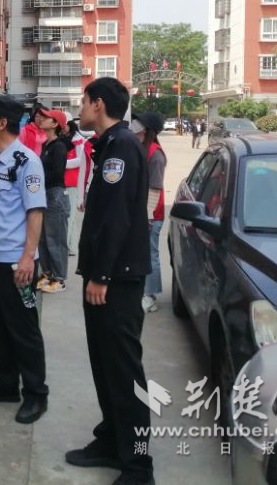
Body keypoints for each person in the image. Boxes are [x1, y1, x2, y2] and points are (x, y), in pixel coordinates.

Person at [66, 77, 154, 485]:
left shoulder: (121, 147)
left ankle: (138, 466)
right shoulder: (109, 145)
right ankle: (111, 440)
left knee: (122, 371)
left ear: (98, 104)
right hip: (106, 275)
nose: (80, 109)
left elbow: (116, 217)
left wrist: (101, 274)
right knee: (104, 365)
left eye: (83, 102)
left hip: (116, 279)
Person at [0, 95, 49, 425]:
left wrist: (28, 257)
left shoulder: (26, 162)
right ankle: (5, 384)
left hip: (17, 264)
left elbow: (35, 211)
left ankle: (35, 394)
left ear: (2, 123)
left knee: (23, 329)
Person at [132, 112, 167, 314]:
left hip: (151, 216)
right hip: (139, 213)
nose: (133, 125)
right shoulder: (140, 149)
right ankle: (142, 291)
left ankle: (150, 296)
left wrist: (148, 215)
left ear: (146, 129)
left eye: (138, 122)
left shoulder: (156, 154)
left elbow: (155, 188)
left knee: (151, 255)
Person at [35, 108, 71, 293]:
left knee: (55, 239)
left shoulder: (59, 147)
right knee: (43, 238)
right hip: (45, 194)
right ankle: (47, 273)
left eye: (46, 117)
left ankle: (59, 278)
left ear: (55, 124)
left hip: (55, 195)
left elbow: (56, 174)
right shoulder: (46, 145)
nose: (41, 119)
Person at [65, 119, 90, 256]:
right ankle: (71, 247)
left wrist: (63, 163)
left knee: (69, 216)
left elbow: (80, 160)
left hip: (72, 180)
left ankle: (65, 246)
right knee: (72, 217)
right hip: (67, 179)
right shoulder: (68, 138)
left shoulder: (77, 140)